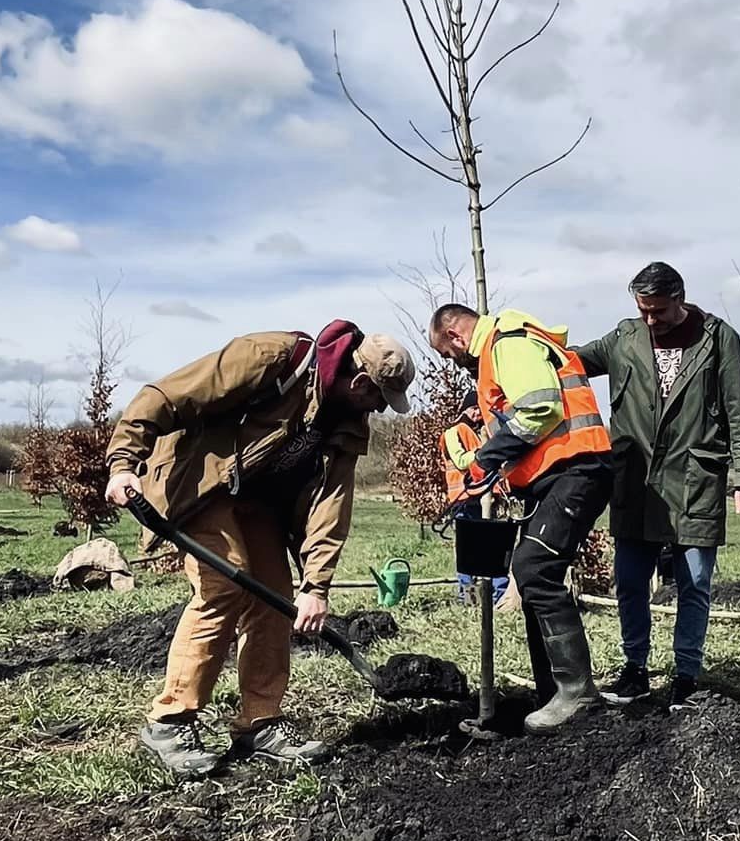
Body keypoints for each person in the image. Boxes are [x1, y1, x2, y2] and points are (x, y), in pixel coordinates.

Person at [105, 321, 415, 779]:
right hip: (202, 486)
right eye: (378, 399)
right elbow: (168, 394)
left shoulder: (347, 423)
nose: (377, 410)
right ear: (362, 382)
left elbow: (332, 504)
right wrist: (123, 462)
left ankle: (259, 723)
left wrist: (317, 586)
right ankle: (169, 721)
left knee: (275, 600)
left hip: (257, 504)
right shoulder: (275, 357)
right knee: (224, 584)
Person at [570, 261, 740, 706]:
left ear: (679, 299)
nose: (651, 320)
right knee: (631, 581)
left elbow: (739, 410)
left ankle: (686, 677)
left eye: (658, 310)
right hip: (636, 481)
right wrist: (527, 350)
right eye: (643, 310)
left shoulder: (717, 339)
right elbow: (573, 360)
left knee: (694, 583)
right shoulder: (625, 336)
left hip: (696, 478)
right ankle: (635, 669)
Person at [429, 302, 612, 733]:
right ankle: (553, 694)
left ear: (455, 337)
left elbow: (541, 408)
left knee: (535, 568)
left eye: (447, 353)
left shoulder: (507, 344)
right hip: (558, 474)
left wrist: (484, 461)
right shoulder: (503, 350)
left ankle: (577, 692)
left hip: (576, 470)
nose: (453, 362)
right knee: (530, 577)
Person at [441, 389, 507, 607]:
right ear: (465, 409)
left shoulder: (484, 431)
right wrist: (485, 453)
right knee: (468, 551)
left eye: (480, 409)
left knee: (492, 547)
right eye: (474, 408)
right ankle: (468, 599)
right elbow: (460, 461)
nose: (478, 413)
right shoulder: (454, 431)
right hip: (464, 498)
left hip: (486, 498)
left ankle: (498, 596)